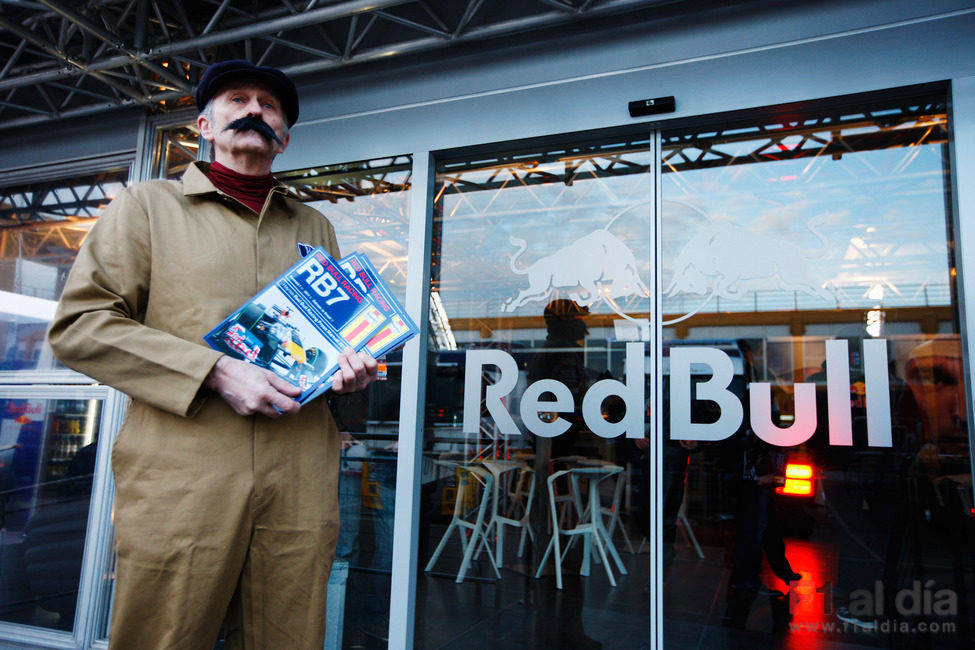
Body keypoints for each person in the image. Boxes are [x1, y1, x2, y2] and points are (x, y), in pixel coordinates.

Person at [47, 59, 377, 649]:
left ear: (286, 137)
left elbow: (328, 344)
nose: (255, 109)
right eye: (237, 100)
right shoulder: (147, 206)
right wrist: (215, 371)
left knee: (290, 636)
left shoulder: (315, 225)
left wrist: (346, 373)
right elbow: (80, 326)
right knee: (165, 637)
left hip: (299, 472)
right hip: (184, 474)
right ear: (202, 125)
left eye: (269, 105)